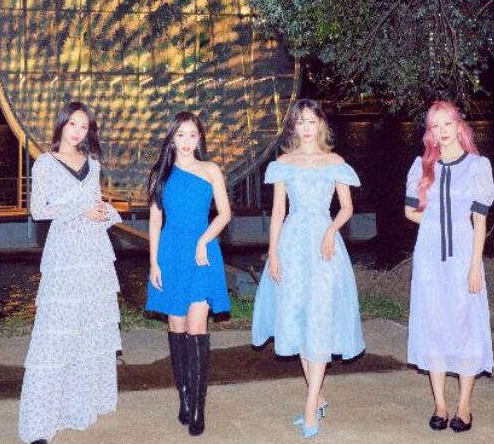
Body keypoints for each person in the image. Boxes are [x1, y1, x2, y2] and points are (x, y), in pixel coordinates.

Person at [251, 99, 365, 439]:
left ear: (321, 125)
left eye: (311, 121)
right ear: (293, 126)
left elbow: (346, 208)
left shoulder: (335, 162)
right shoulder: (283, 164)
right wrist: (273, 253)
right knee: (299, 320)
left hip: (324, 249)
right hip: (292, 244)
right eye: (300, 121)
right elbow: (277, 212)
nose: (305, 127)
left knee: (319, 320)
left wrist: (331, 231)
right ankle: (318, 397)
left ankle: (310, 404)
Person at [18, 102, 122, 444]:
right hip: (64, 254)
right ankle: (39, 422)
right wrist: (80, 208)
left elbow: (95, 202)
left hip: (94, 252)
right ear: (61, 124)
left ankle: (80, 406)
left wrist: (103, 210)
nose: (77, 131)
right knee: (55, 332)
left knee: (89, 328)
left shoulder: (93, 164)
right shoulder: (45, 162)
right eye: (73, 124)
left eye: (84, 126)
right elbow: (38, 210)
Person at [403, 101, 494, 433]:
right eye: (435, 126)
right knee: (434, 325)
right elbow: (410, 212)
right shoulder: (423, 165)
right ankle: (440, 404)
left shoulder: (477, 166)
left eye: (447, 124)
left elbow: (479, 222)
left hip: (463, 254)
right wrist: (436, 222)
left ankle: (464, 405)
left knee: (466, 325)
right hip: (429, 256)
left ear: (459, 126)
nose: (441, 131)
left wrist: (475, 266)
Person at [145, 111, 232, 436]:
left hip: (202, 254)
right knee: (177, 327)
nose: (186, 141)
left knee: (198, 328)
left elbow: (224, 214)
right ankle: (183, 396)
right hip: (170, 254)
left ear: (200, 138)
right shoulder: (160, 174)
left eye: (192, 135)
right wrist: (154, 263)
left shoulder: (210, 170)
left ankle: (198, 406)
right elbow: (155, 220)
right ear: (171, 138)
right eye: (180, 135)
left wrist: (204, 240)